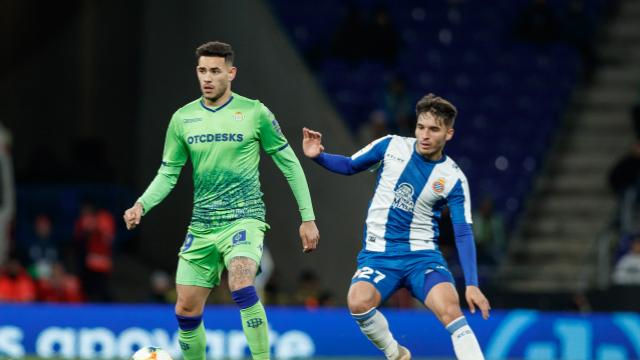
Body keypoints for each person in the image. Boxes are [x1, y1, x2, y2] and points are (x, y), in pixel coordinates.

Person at [123, 41, 320, 360]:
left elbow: (289, 163)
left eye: (215, 71)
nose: (208, 78)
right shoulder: (183, 118)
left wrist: (307, 217)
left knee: (241, 283)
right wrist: (141, 204)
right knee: (186, 309)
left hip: (244, 219)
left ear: (231, 72)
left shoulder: (255, 112)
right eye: (202, 71)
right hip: (202, 226)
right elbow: (168, 173)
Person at [302, 93, 490, 360]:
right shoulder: (390, 145)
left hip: (422, 258)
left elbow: (462, 231)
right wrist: (318, 156)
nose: (424, 135)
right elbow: (349, 165)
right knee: (357, 302)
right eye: (421, 127)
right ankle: (396, 353)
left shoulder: (453, 178)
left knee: (451, 311)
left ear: (449, 134)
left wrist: (472, 283)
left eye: (434, 129)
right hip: (379, 256)